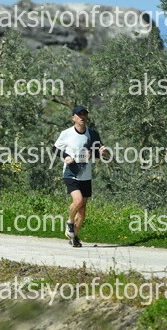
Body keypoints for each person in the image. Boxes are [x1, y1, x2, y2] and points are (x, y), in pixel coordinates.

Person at [53, 106, 106, 247]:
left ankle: (74, 236)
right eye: (79, 114)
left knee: (82, 211)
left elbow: (98, 153)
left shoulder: (93, 134)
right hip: (71, 172)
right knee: (78, 201)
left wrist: (103, 152)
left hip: (86, 175)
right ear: (73, 118)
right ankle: (70, 222)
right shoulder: (66, 133)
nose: (82, 117)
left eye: (84, 114)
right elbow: (55, 149)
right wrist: (66, 156)